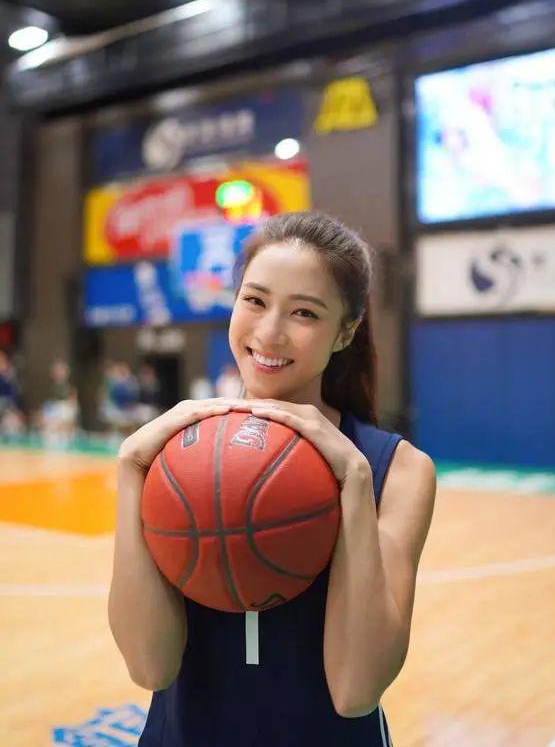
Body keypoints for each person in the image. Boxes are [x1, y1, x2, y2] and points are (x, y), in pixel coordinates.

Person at [109, 212, 437, 746]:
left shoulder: (396, 470)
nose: (268, 332)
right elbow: (150, 666)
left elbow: (355, 691)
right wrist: (131, 473)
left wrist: (353, 482)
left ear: (345, 332)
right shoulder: (171, 451)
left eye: (304, 312)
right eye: (255, 300)